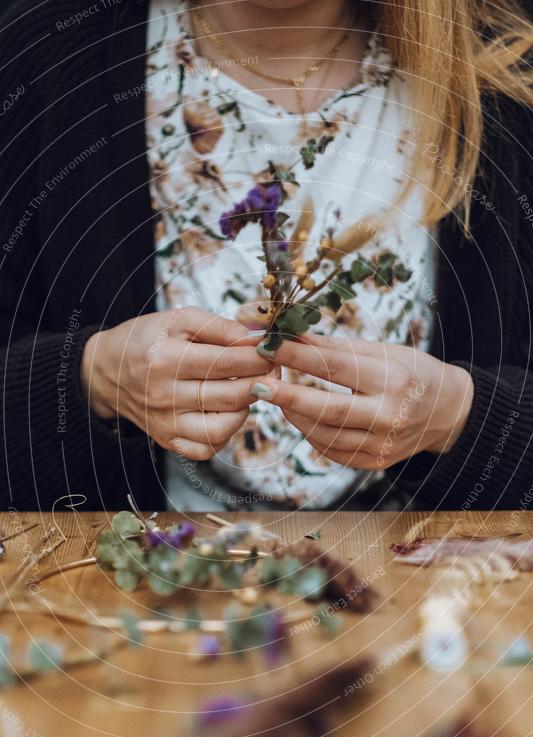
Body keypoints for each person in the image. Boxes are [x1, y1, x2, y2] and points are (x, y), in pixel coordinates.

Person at [1, 0, 532, 512]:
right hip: (118, 585)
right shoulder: (48, 54)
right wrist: (90, 379)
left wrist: (463, 416)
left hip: (450, 592)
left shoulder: (509, 63)